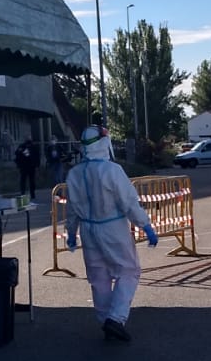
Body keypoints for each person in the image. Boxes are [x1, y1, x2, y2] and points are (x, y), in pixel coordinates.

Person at [63, 125, 159, 342]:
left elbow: (71, 209)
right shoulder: (112, 171)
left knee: (99, 277)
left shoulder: (75, 174)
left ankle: (105, 319)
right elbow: (128, 203)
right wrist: (146, 226)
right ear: (104, 143)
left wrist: (71, 233)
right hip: (112, 228)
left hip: (88, 230)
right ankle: (115, 319)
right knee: (128, 271)